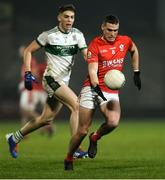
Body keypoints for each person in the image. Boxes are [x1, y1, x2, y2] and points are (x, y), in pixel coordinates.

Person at [6, 4, 88, 159]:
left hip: (63, 82)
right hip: (51, 80)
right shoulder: (49, 35)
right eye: (66, 16)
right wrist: (28, 72)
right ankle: (75, 148)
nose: (69, 20)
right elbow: (28, 51)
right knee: (76, 105)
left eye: (72, 17)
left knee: (46, 119)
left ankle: (14, 137)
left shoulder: (78, 35)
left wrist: (98, 63)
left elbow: (86, 55)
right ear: (59, 18)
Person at [64, 14, 141, 170]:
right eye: (109, 30)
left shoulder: (124, 41)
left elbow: (134, 50)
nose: (112, 33)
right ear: (103, 27)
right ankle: (69, 157)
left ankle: (95, 137)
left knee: (113, 122)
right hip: (91, 88)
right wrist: (95, 86)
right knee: (82, 130)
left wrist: (136, 72)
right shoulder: (95, 44)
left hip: (110, 90)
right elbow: (92, 70)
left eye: (115, 30)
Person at [18, 46, 54, 137]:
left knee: (25, 110)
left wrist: (30, 91)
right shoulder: (27, 62)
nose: (21, 52)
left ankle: (44, 124)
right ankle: (25, 133)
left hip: (35, 90)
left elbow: (34, 74)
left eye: (22, 51)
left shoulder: (31, 61)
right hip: (35, 90)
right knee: (26, 111)